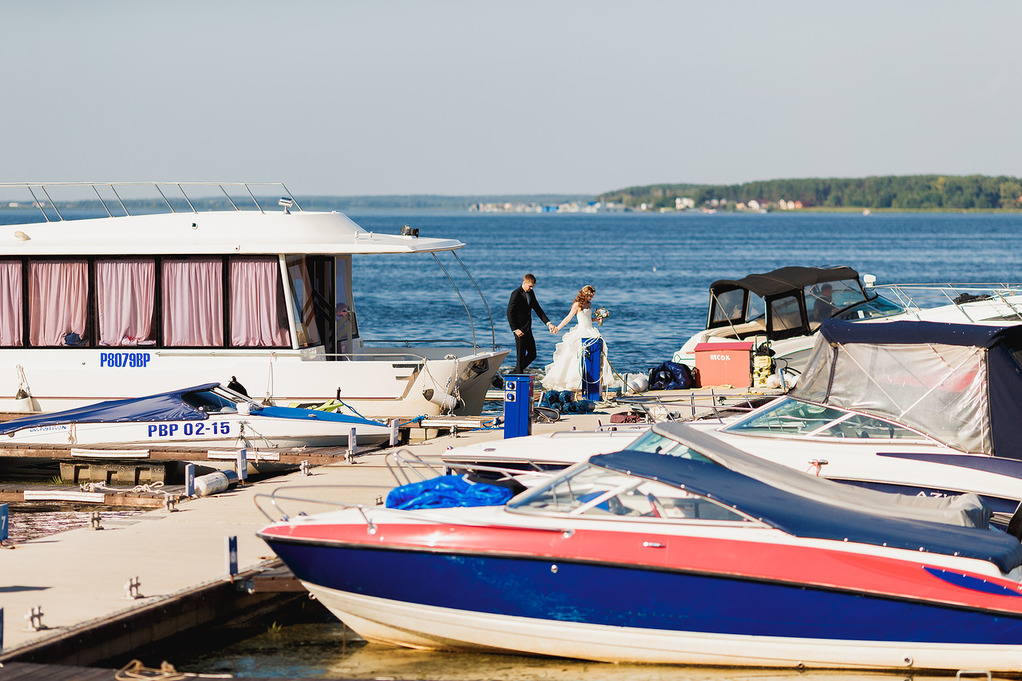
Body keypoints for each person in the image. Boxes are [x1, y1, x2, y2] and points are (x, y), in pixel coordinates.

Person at [542, 285, 619, 391]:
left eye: (592, 296)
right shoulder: (577, 304)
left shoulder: (589, 304)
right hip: (581, 332)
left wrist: (597, 319)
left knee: (596, 353)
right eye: (590, 296)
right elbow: (568, 318)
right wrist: (558, 328)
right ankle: (574, 381)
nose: (591, 298)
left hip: (590, 331)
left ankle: (593, 380)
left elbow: (587, 318)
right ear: (585, 294)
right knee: (576, 356)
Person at [506, 273, 556, 374]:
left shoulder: (531, 293)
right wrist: (515, 329)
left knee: (532, 354)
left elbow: (538, 309)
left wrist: (548, 323)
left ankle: (515, 372)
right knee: (520, 356)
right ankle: (518, 374)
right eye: (530, 286)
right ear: (524, 282)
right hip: (519, 330)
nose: (531, 288)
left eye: (533, 286)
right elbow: (509, 312)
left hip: (528, 328)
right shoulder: (516, 293)